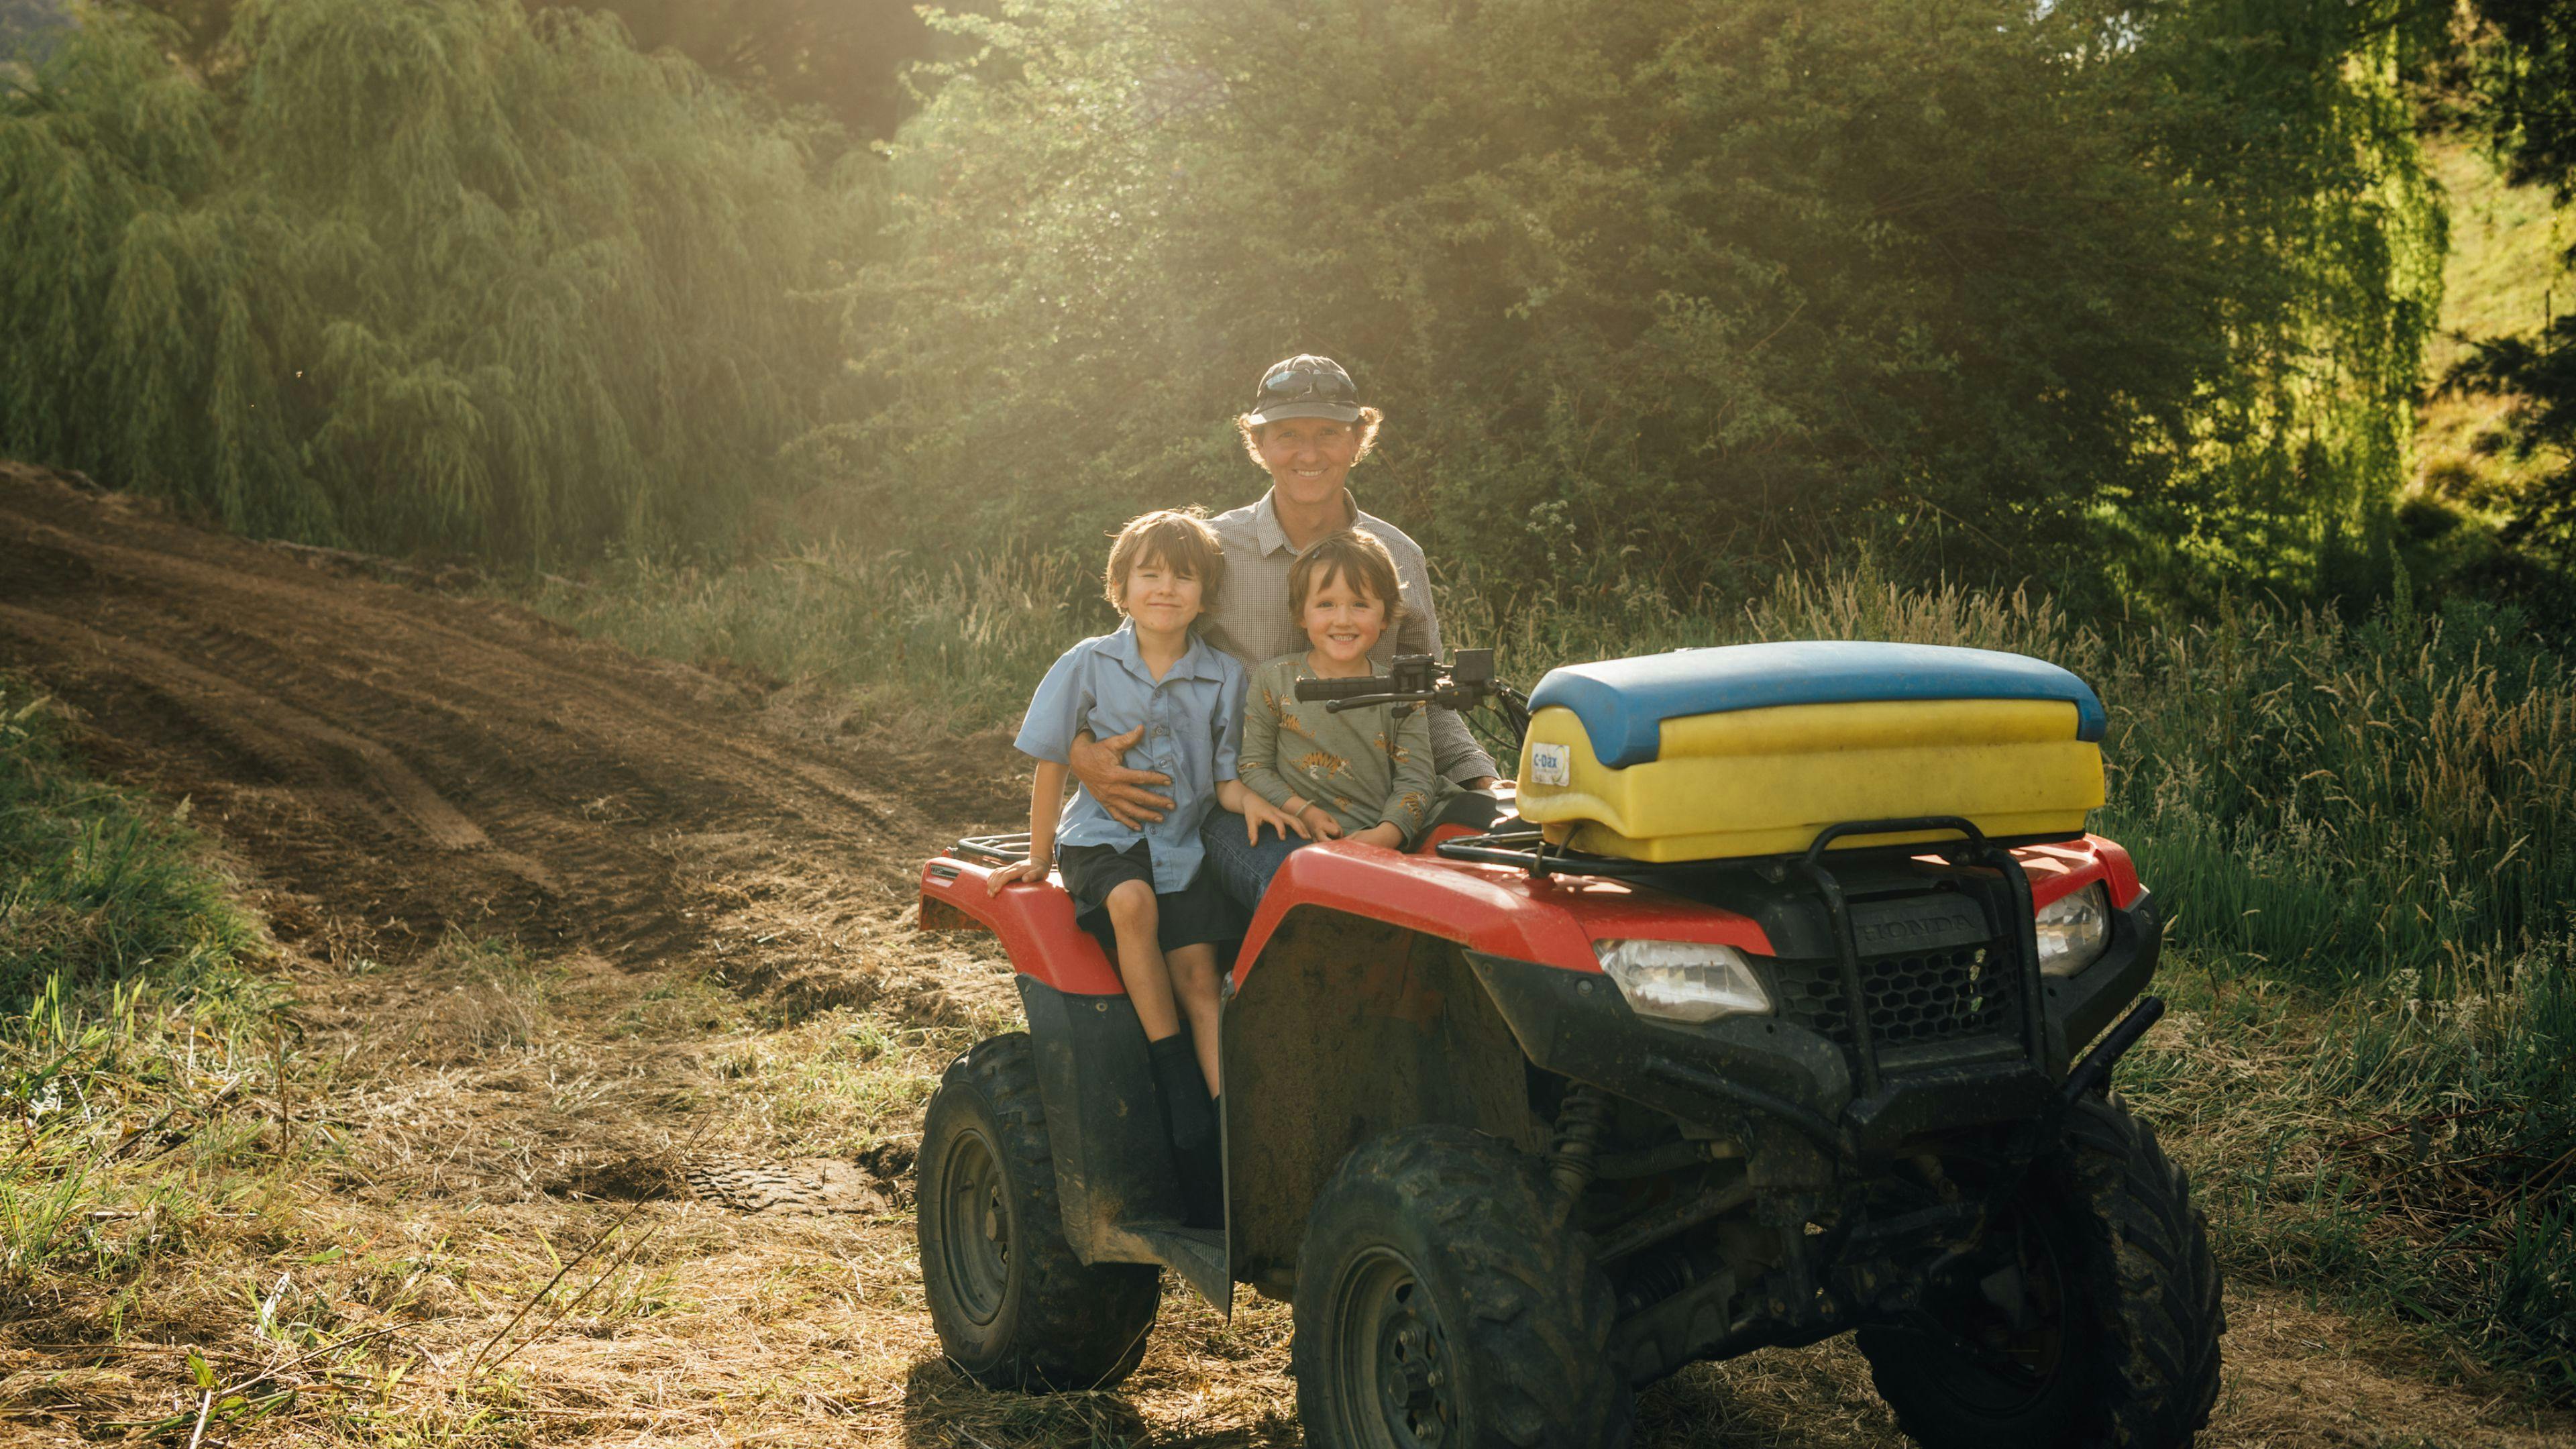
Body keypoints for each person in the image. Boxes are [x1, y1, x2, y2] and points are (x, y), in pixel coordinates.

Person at [1064, 355, 1500, 862]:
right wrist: (1082, 753)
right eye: (1288, 434)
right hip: (1245, 799)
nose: (1308, 453)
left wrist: (1483, 781)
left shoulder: (1396, 554)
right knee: (1320, 896)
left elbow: (1427, 692)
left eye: (1328, 433)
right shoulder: (1216, 548)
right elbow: (1130, 663)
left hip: (1380, 801)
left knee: (1494, 864)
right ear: (1259, 444)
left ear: (1358, 440)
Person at [983, 509, 1301, 1185]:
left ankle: (1226, 1134)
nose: (1166, 588)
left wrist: (1271, 806)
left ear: (1206, 596)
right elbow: (1050, 763)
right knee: (1132, 904)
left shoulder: (1224, 676)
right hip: (1102, 842)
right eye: (1149, 574)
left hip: (1184, 847)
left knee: (1200, 975)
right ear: (1120, 588)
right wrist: (1039, 859)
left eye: (1184, 577)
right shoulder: (1088, 664)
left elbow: (1225, 779)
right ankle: (1175, 1078)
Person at [1215, 529, 1464, 908]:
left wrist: (1386, 835)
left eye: (1360, 605)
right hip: (1300, 835)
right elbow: (1254, 766)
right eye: (1326, 604)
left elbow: (1417, 776)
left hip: (1384, 838)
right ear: (1301, 614)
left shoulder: (1401, 689)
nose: (1343, 620)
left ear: (1386, 615)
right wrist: (1305, 812)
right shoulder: (1274, 679)